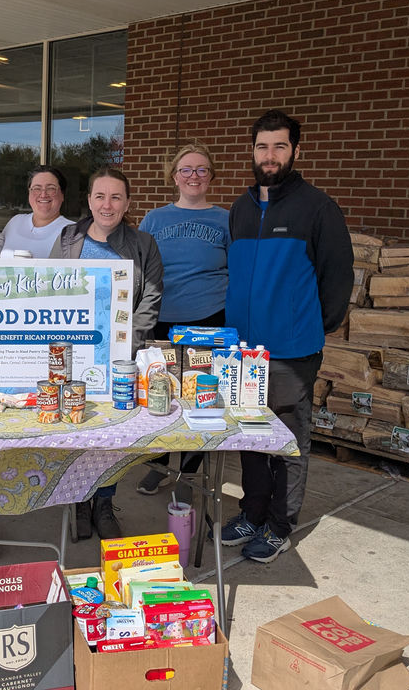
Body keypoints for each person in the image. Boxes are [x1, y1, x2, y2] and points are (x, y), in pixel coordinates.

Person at [220, 109, 353, 563]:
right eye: (262, 146)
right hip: (243, 350)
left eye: (279, 146)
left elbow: (337, 276)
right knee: (250, 437)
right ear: (252, 151)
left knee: (287, 440)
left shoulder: (317, 207)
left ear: (296, 150)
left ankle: (280, 525)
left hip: (291, 349)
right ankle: (252, 513)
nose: (269, 155)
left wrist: (315, 325)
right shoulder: (239, 208)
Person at [51, 167, 164, 539]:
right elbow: (50, 289)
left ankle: (103, 502)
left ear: (128, 203)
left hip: (119, 356)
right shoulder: (68, 238)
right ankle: (77, 501)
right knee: (76, 427)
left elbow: (150, 300)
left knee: (112, 435)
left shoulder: (143, 244)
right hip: (71, 353)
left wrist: (124, 343)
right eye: (100, 196)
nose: (107, 204)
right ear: (88, 200)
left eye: (116, 197)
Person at [135, 142, 230, 495]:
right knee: (161, 390)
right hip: (161, 321)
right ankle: (157, 464)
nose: (194, 176)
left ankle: (190, 473)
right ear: (174, 176)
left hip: (208, 320)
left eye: (202, 169)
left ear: (211, 176)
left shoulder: (225, 219)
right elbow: (140, 270)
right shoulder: (155, 219)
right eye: (186, 169)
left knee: (200, 394)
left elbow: (237, 269)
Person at [1, 165, 73, 258]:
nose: (43, 195)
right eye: (37, 188)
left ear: (62, 194)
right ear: (29, 193)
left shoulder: (71, 232)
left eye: (51, 188)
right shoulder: (15, 222)